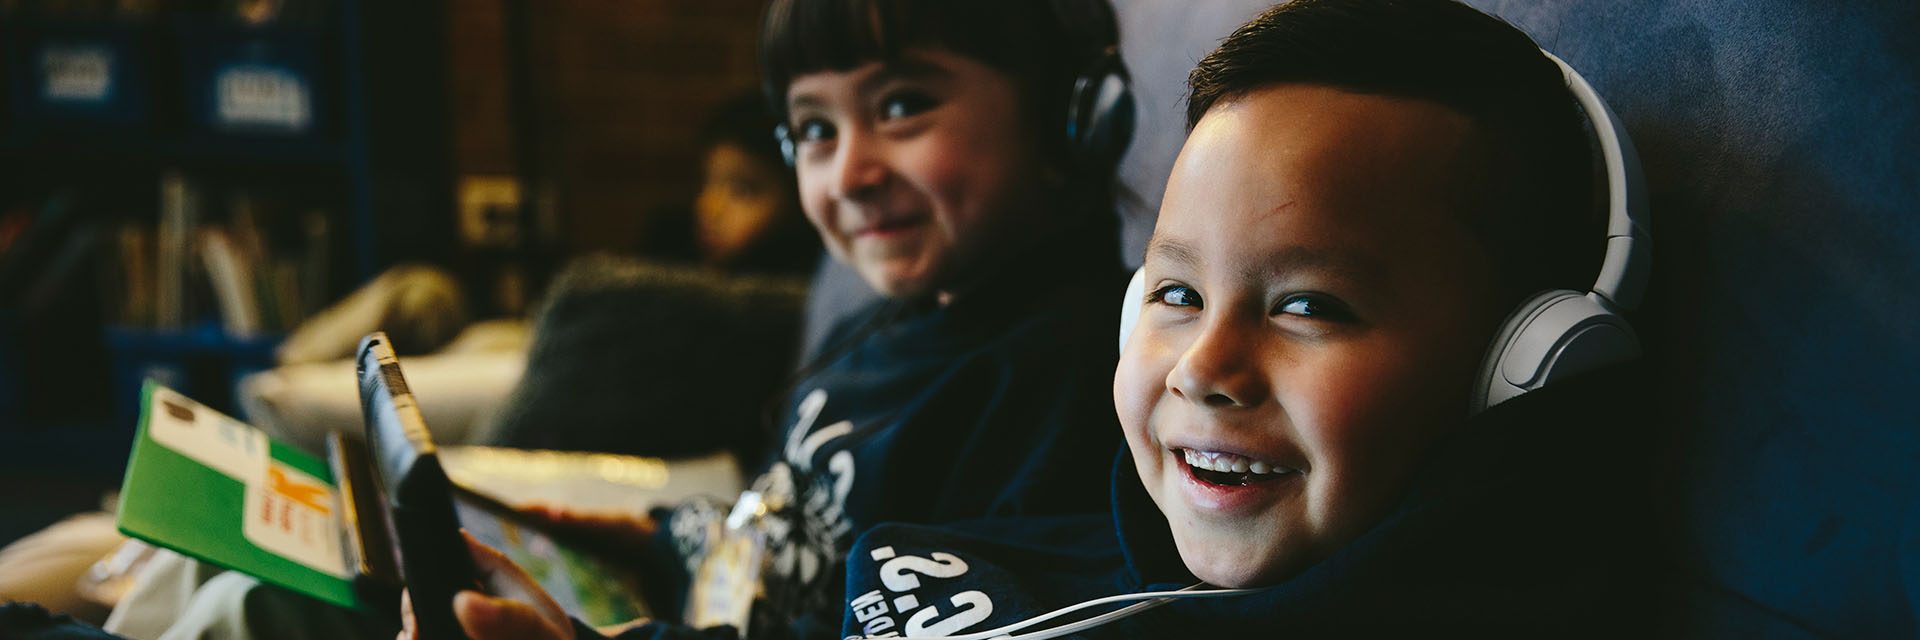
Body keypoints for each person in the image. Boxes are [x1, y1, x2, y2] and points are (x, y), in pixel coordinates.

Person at [832, 0, 1661, 637]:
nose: (1202, 368)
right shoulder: (1073, 537)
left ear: (1522, 365)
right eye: (1177, 295)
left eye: (1308, 307)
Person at [414, 0, 1138, 638]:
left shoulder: (1070, 380)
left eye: (900, 106)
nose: (850, 173)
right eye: (816, 127)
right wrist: (657, 543)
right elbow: (791, 528)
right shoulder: (890, 323)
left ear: (1066, 113)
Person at [636, 92, 822, 279]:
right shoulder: (663, 263)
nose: (709, 208)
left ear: (797, 198)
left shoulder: (816, 290)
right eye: (705, 183)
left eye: (741, 191)